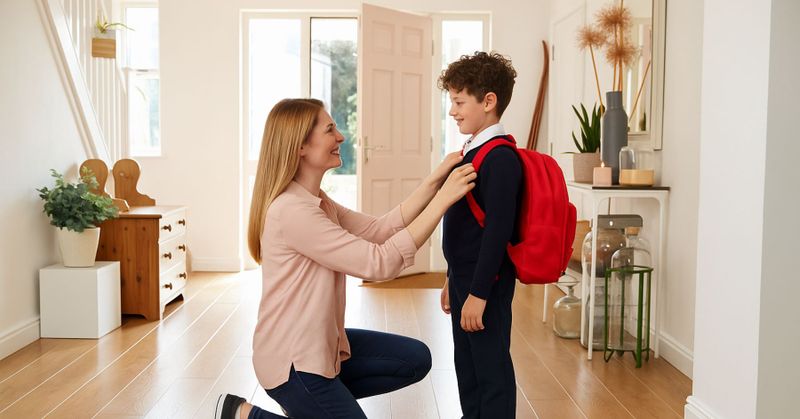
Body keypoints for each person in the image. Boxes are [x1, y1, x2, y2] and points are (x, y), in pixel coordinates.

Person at [215, 98, 477, 419]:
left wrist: (435, 181)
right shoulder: (292, 211)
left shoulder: (317, 201)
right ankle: (243, 415)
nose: (341, 137)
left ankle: (313, 410)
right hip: (294, 364)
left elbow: (379, 229)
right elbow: (378, 262)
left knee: (414, 359)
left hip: (322, 348)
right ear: (300, 147)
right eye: (330, 130)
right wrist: (445, 201)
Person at [437, 51, 521, 418]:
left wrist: (478, 293)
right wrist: (451, 278)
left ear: (489, 101)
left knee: (491, 371)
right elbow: (469, 226)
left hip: (486, 283)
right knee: (467, 367)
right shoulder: (473, 150)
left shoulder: (500, 157)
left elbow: (497, 232)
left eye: (459, 101)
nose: (453, 111)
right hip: (465, 279)